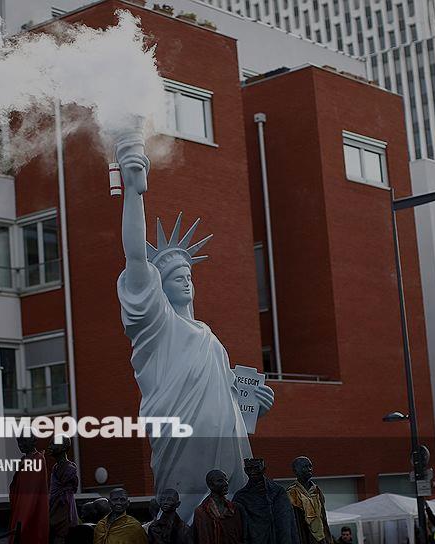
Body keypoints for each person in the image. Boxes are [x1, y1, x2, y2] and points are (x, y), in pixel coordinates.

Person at [115, 133, 275, 522]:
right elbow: (135, 257)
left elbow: (226, 396)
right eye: (175, 277)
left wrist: (254, 404)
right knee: (186, 515)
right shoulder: (158, 327)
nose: (185, 281)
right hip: (181, 441)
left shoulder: (210, 337)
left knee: (230, 516)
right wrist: (133, 193)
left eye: (188, 275)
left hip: (226, 445)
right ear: (158, 287)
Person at [233, 457, 299, 544]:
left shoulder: (278, 492)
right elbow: (237, 527)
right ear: (245, 471)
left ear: (264, 469)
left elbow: (287, 523)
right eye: (249, 469)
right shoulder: (241, 497)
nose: (253, 472)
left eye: (256, 468)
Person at [9, 435, 49, 544]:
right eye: (18, 442)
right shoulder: (24, 461)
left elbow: (30, 496)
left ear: (33, 441)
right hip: (19, 512)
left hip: (29, 516)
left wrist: (21, 524)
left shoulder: (38, 460)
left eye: (23, 441)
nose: (20, 445)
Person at [287, 456, 334, 544]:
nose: (309, 469)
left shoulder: (317, 490)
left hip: (321, 538)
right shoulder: (292, 493)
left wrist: (328, 539)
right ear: (296, 471)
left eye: (310, 466)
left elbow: (323, 518)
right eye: (305, 467)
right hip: (303, 537)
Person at [193, 469, 245, 544]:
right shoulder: (202, 512)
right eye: (220, 481)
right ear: (210, 485)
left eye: (226, 480)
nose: (226, 483)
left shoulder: (235, 509)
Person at [49, 437, 80, 544]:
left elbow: (66, 495)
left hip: (64, 512)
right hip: (55, 509)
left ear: (63, 447)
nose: (50, 447)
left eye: (53, 444)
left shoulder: (69, 469)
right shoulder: (55, 468)